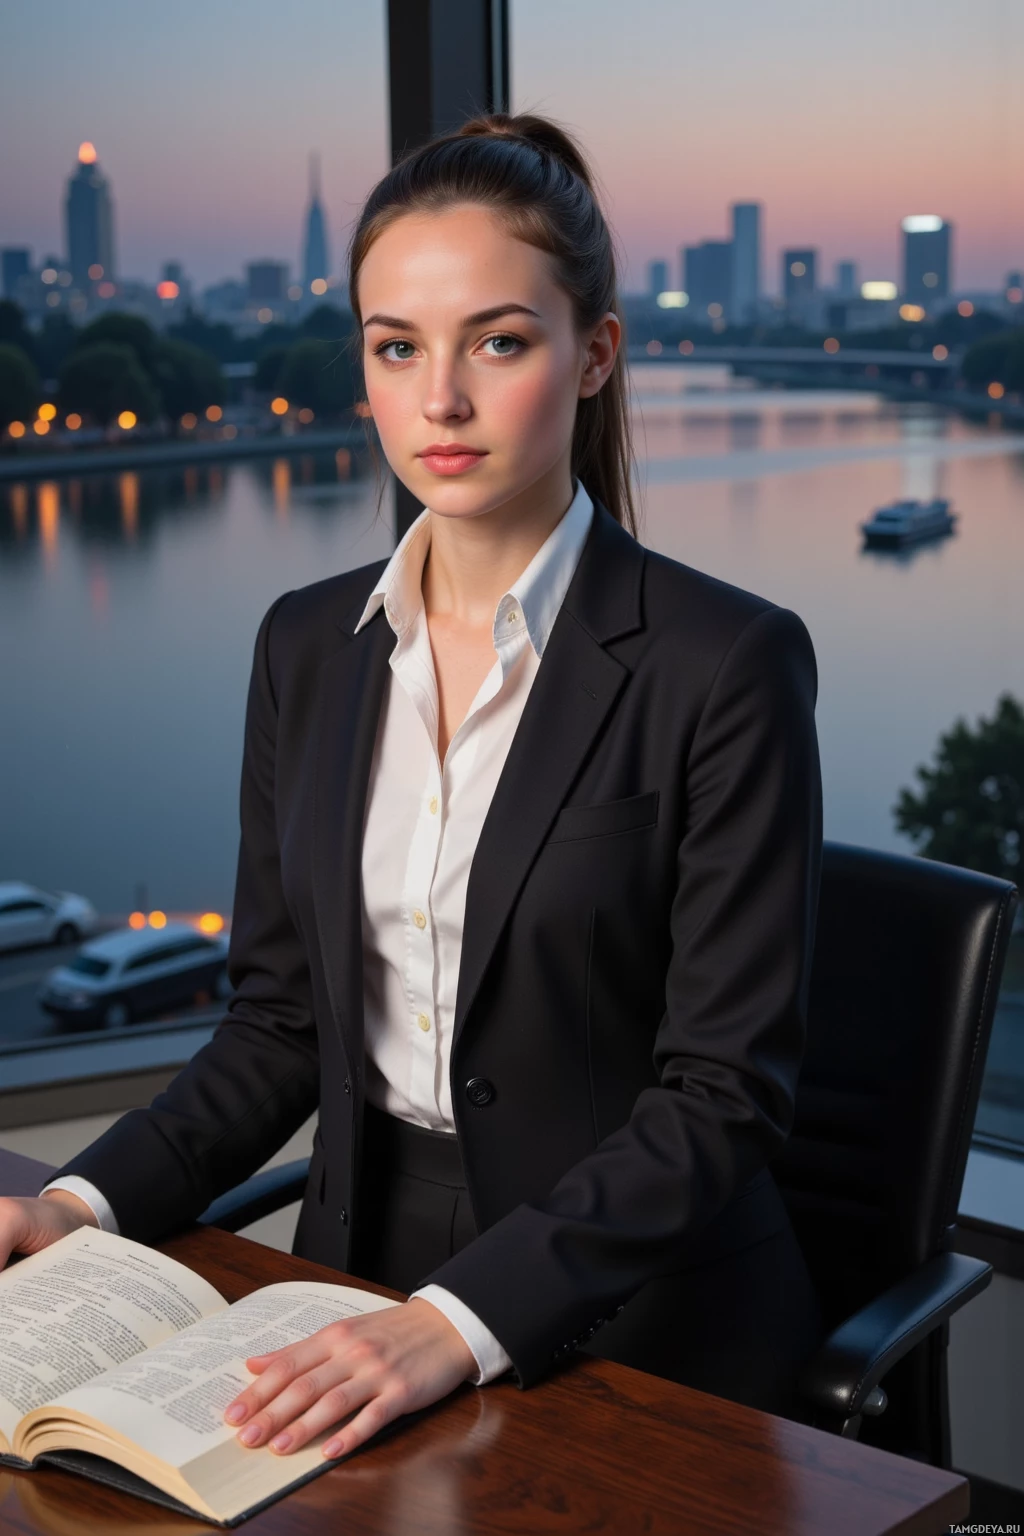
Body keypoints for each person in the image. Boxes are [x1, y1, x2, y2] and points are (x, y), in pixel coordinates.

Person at [0, 112, 824, 1463]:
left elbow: (721, 1094)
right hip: (351, 1277)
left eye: (497, 342)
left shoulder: (725, 660)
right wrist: (81, 1205)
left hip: (644, 1319)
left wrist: (454, 1321)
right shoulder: (305, 646)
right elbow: (276, 1026)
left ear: (595, 355)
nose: (439, 401)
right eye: (397, 348)